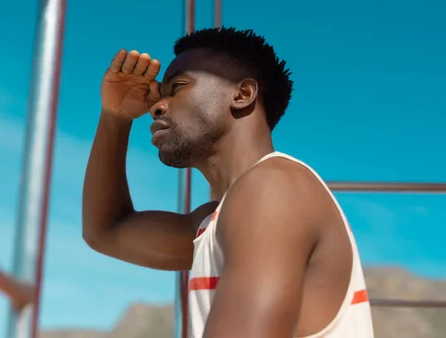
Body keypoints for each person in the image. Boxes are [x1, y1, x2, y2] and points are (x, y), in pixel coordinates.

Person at [82, 27, 374, 338]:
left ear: (242, 94)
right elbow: (107, 230)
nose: (156, 106)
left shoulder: (273, 187)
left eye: (177, 87)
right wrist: (115, 116)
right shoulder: (216, 220)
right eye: (159, 95)